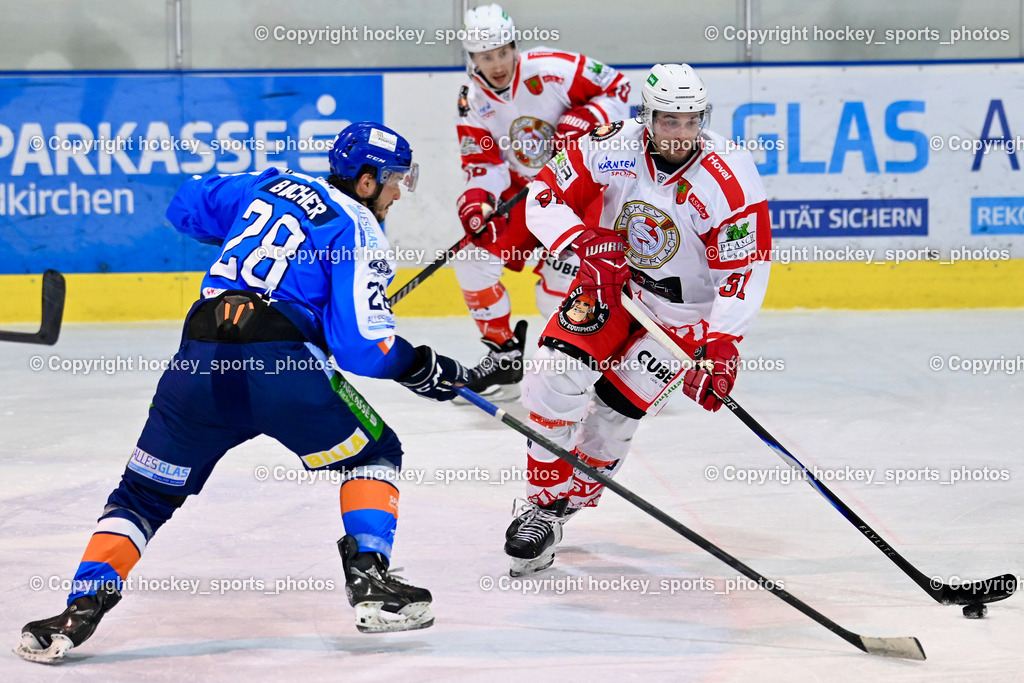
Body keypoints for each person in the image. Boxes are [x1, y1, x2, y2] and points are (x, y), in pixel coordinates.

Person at [16, 122, 470, 663]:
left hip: (198, 363)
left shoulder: (269, 183)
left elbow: (186, 204)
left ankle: (77, 611)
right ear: (366, 182)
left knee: (142, 496)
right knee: (375, 451)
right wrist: (420, 365)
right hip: (281, 371)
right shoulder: (358, 227)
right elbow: (363, 350)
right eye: (394, 180)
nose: (399, 192)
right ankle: (371, 583)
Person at [503, 64, 772, 576]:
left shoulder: (730, 177)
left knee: (613, 415)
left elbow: (745, 266)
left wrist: (721, 344)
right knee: (552, 379)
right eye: (669, 122)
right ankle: (541, 502)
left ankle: (566, 504)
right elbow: (543, 193)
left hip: (681, 316)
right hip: (612, 287)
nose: (680, 134)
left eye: (691, 122)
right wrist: (581, 242)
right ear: (647, 119)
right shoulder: (612, 145)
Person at [454, 3, 631, 399]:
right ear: (473, 59)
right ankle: (504, 354)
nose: (497, 64)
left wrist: (587, 118)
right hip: (526, 191)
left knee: (554, 294)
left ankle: (592, 362)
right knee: (472, 258)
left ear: (514, 46)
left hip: (578, 191)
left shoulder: (552, 67)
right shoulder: (471, 100)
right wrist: (479, 202)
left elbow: (618, 87)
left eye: (502, 52)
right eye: (486, 56)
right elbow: (482, 162)